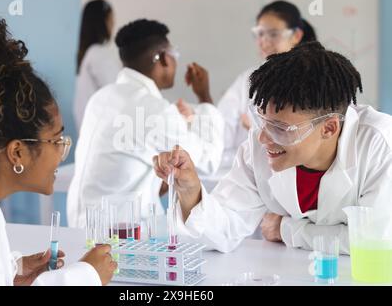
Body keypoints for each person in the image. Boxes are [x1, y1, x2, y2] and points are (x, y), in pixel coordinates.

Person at [153, 42, 392, 255]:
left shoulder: (378, 143)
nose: (264, 138)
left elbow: (375, 241)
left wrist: (286, 229)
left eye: (280, 127)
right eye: (262, 120)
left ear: (328, 128)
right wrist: (191, 191)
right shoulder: (260, 148)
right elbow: (223, 231)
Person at [0, 16, 117, 285]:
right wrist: (86, 277)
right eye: (56, 140)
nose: (62, 151)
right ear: (17, 153)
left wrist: (8, 270)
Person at [67, 19, 223, 228]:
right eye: (173, 55)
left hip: (81, 226)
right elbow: (208, 162)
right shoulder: (153, 109)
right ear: (163, 59)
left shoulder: (102, 97)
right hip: (120, 236)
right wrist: (204, 96)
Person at [218, 0, 317, 165]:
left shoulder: (319, 81)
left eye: (273, 34)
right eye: (260, 33)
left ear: (296, 35)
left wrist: (257, 131)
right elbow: (220, 136)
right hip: (254, 176)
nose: (264, 41)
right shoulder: (249, 80)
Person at [74, 0, 121, 132]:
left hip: (92, 134)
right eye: (111, 19)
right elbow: (119, 93)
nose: (113, 23)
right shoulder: (98, 54)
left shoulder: (89, 54)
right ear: (102, 22)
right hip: (100, 135)